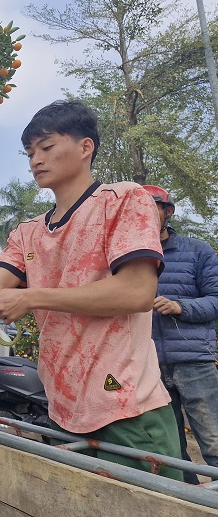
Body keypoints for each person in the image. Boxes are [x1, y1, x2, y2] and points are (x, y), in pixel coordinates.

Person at [0, 100, 183, 479]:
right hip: (62, 405)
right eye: (30, 152)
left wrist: (31, 297)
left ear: (85, 148)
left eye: (46, 148)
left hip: (127, 406)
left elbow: (136, 292)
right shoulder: (29, 231)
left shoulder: (122, 200)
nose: (35, 160)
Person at [143, 184, 218, 484]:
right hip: (149, 366)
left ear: (167, 212)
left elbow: (215, 300)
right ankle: (190, 503)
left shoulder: (197, 251)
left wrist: (179, 306)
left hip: (194, 362)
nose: (144, 216)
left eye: (152, 209)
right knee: (171, 446)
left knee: (213, 438)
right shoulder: (129, 258)